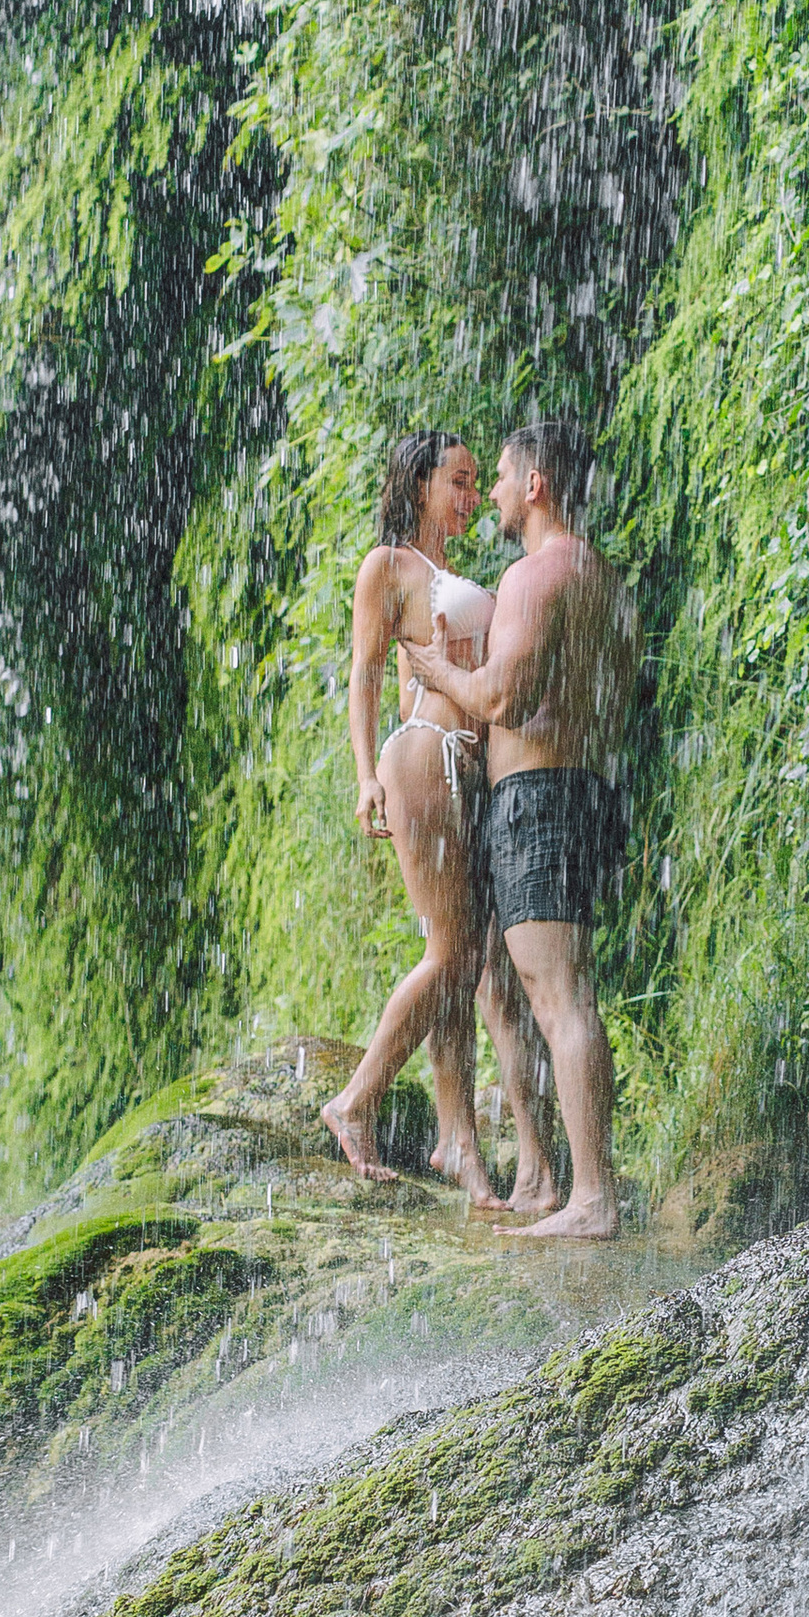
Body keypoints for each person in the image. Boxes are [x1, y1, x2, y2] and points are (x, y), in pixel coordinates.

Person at [405, 420, 639, 1240]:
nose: (493, 492)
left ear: (535, 485)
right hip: (571, 793)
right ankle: (542, 1180)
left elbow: (505, 695)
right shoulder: (600, 576)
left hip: (544, 798)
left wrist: (438, 672)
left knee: (559, 994)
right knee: (513, 990)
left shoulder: (540, 574)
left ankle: (593, 1198)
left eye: (501, 477)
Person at [320, 432, 557, 1216]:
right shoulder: (388, 567)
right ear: (418, 484)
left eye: (471, 483)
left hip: (476, 769)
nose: (467, 496)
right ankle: (357, 1101)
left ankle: (458, 1140)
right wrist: (363, 776)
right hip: (423, 755)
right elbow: (364, 675)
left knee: (468, 964)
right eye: (455, 482)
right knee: (451, 952)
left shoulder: (460, 576)